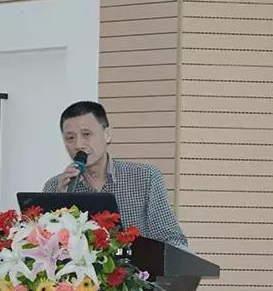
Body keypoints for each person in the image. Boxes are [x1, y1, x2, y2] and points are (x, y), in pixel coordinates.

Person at [43, 100, 188, 248]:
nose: (78, 145)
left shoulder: (145, 177)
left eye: (86, 134)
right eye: (70, 138)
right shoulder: (55, 186)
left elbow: (173, 240)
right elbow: (45, 245)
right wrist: (60, 200)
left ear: (107, 135)